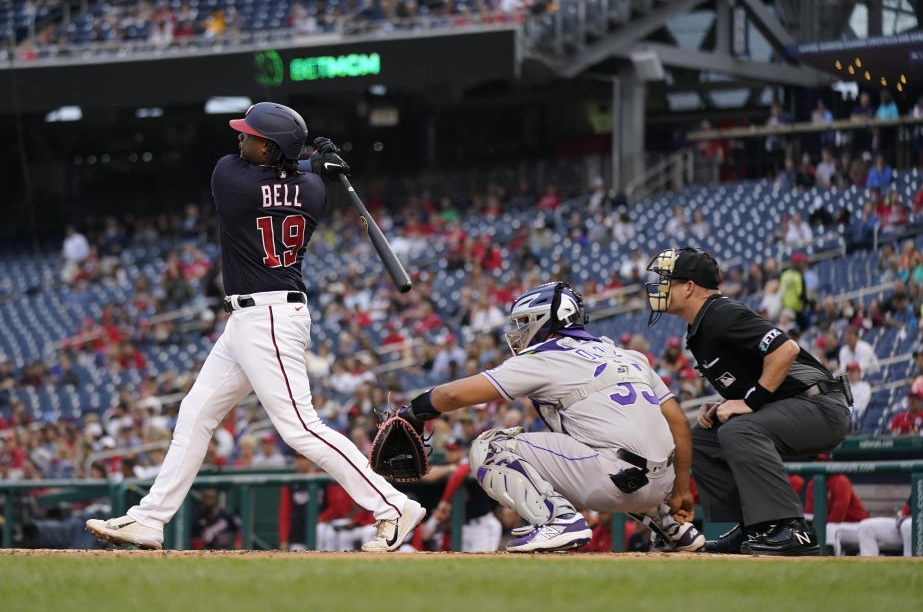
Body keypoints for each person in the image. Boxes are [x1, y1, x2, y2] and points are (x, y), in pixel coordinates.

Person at [87, 102, 424, 552]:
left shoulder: (230, 179)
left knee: (300, 428)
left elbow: (269, 173)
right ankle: (149, 519)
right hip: (256, 318)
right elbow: (296, 176)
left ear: (271, 148)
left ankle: (393, 505)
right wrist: (317, 163)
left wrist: (310, 159)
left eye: (251, 136)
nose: (240, 141)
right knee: (195, 413)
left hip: (267, 318)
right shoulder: (316, 190)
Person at [393, 281, 705, 553]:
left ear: (545, 320)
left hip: (610, 481)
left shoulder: (545, 356)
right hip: (659, 483)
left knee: (489, 447)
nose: (519, 332)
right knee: (620, 445)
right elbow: (678, 423)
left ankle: (559, 521)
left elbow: (453, 396)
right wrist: (679, 490)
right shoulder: (628, 355)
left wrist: (415, 409)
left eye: (525, 322)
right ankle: (668, 523)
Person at [645, 247, 850, 555]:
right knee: (704, 438)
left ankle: (790, 528)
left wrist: (750, 401)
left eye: (667, 281)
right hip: (790, 406)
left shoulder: (720, 313)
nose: (658, 288)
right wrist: (726, 403)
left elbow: (786, 349)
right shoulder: (701, 325)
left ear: (689, 286)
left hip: (821, 406)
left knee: (738, 430)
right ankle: (751, 529)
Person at [857, 433, 923, 556]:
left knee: (909, 526)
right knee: (866, 527)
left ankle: (911, 569)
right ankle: (871, 573)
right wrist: (901, 516)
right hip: (912, 525)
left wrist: (918, 518)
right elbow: (909, 505)